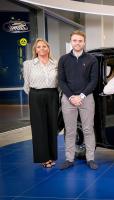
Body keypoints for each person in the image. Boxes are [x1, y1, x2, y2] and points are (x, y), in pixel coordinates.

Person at [58, 30, 99, 170]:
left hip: (86, 98)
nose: (77, 43)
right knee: (70, 131)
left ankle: (91, 159)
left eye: (80, 41)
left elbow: (94, 81)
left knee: (88, 129)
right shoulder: (63, 59)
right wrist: (71, 97)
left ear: (84, 42)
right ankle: (69, 159)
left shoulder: (92, 59)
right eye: (75, 40)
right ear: (71, 42)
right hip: (68, 99)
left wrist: (81, 96)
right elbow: (61, 81)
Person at [23, 38, 58, 168]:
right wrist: (35, 95)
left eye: (44, 46)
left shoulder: (56, 63)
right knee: (39, 127)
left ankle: (51, 155)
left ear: (48, 48)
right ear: (35, 50)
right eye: (39, 47)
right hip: (36, 95)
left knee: (52, 126)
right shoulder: (28, 64)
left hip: (53, 95)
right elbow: (26, 85)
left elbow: (59, 82)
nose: (42, 49)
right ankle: (43, 158)